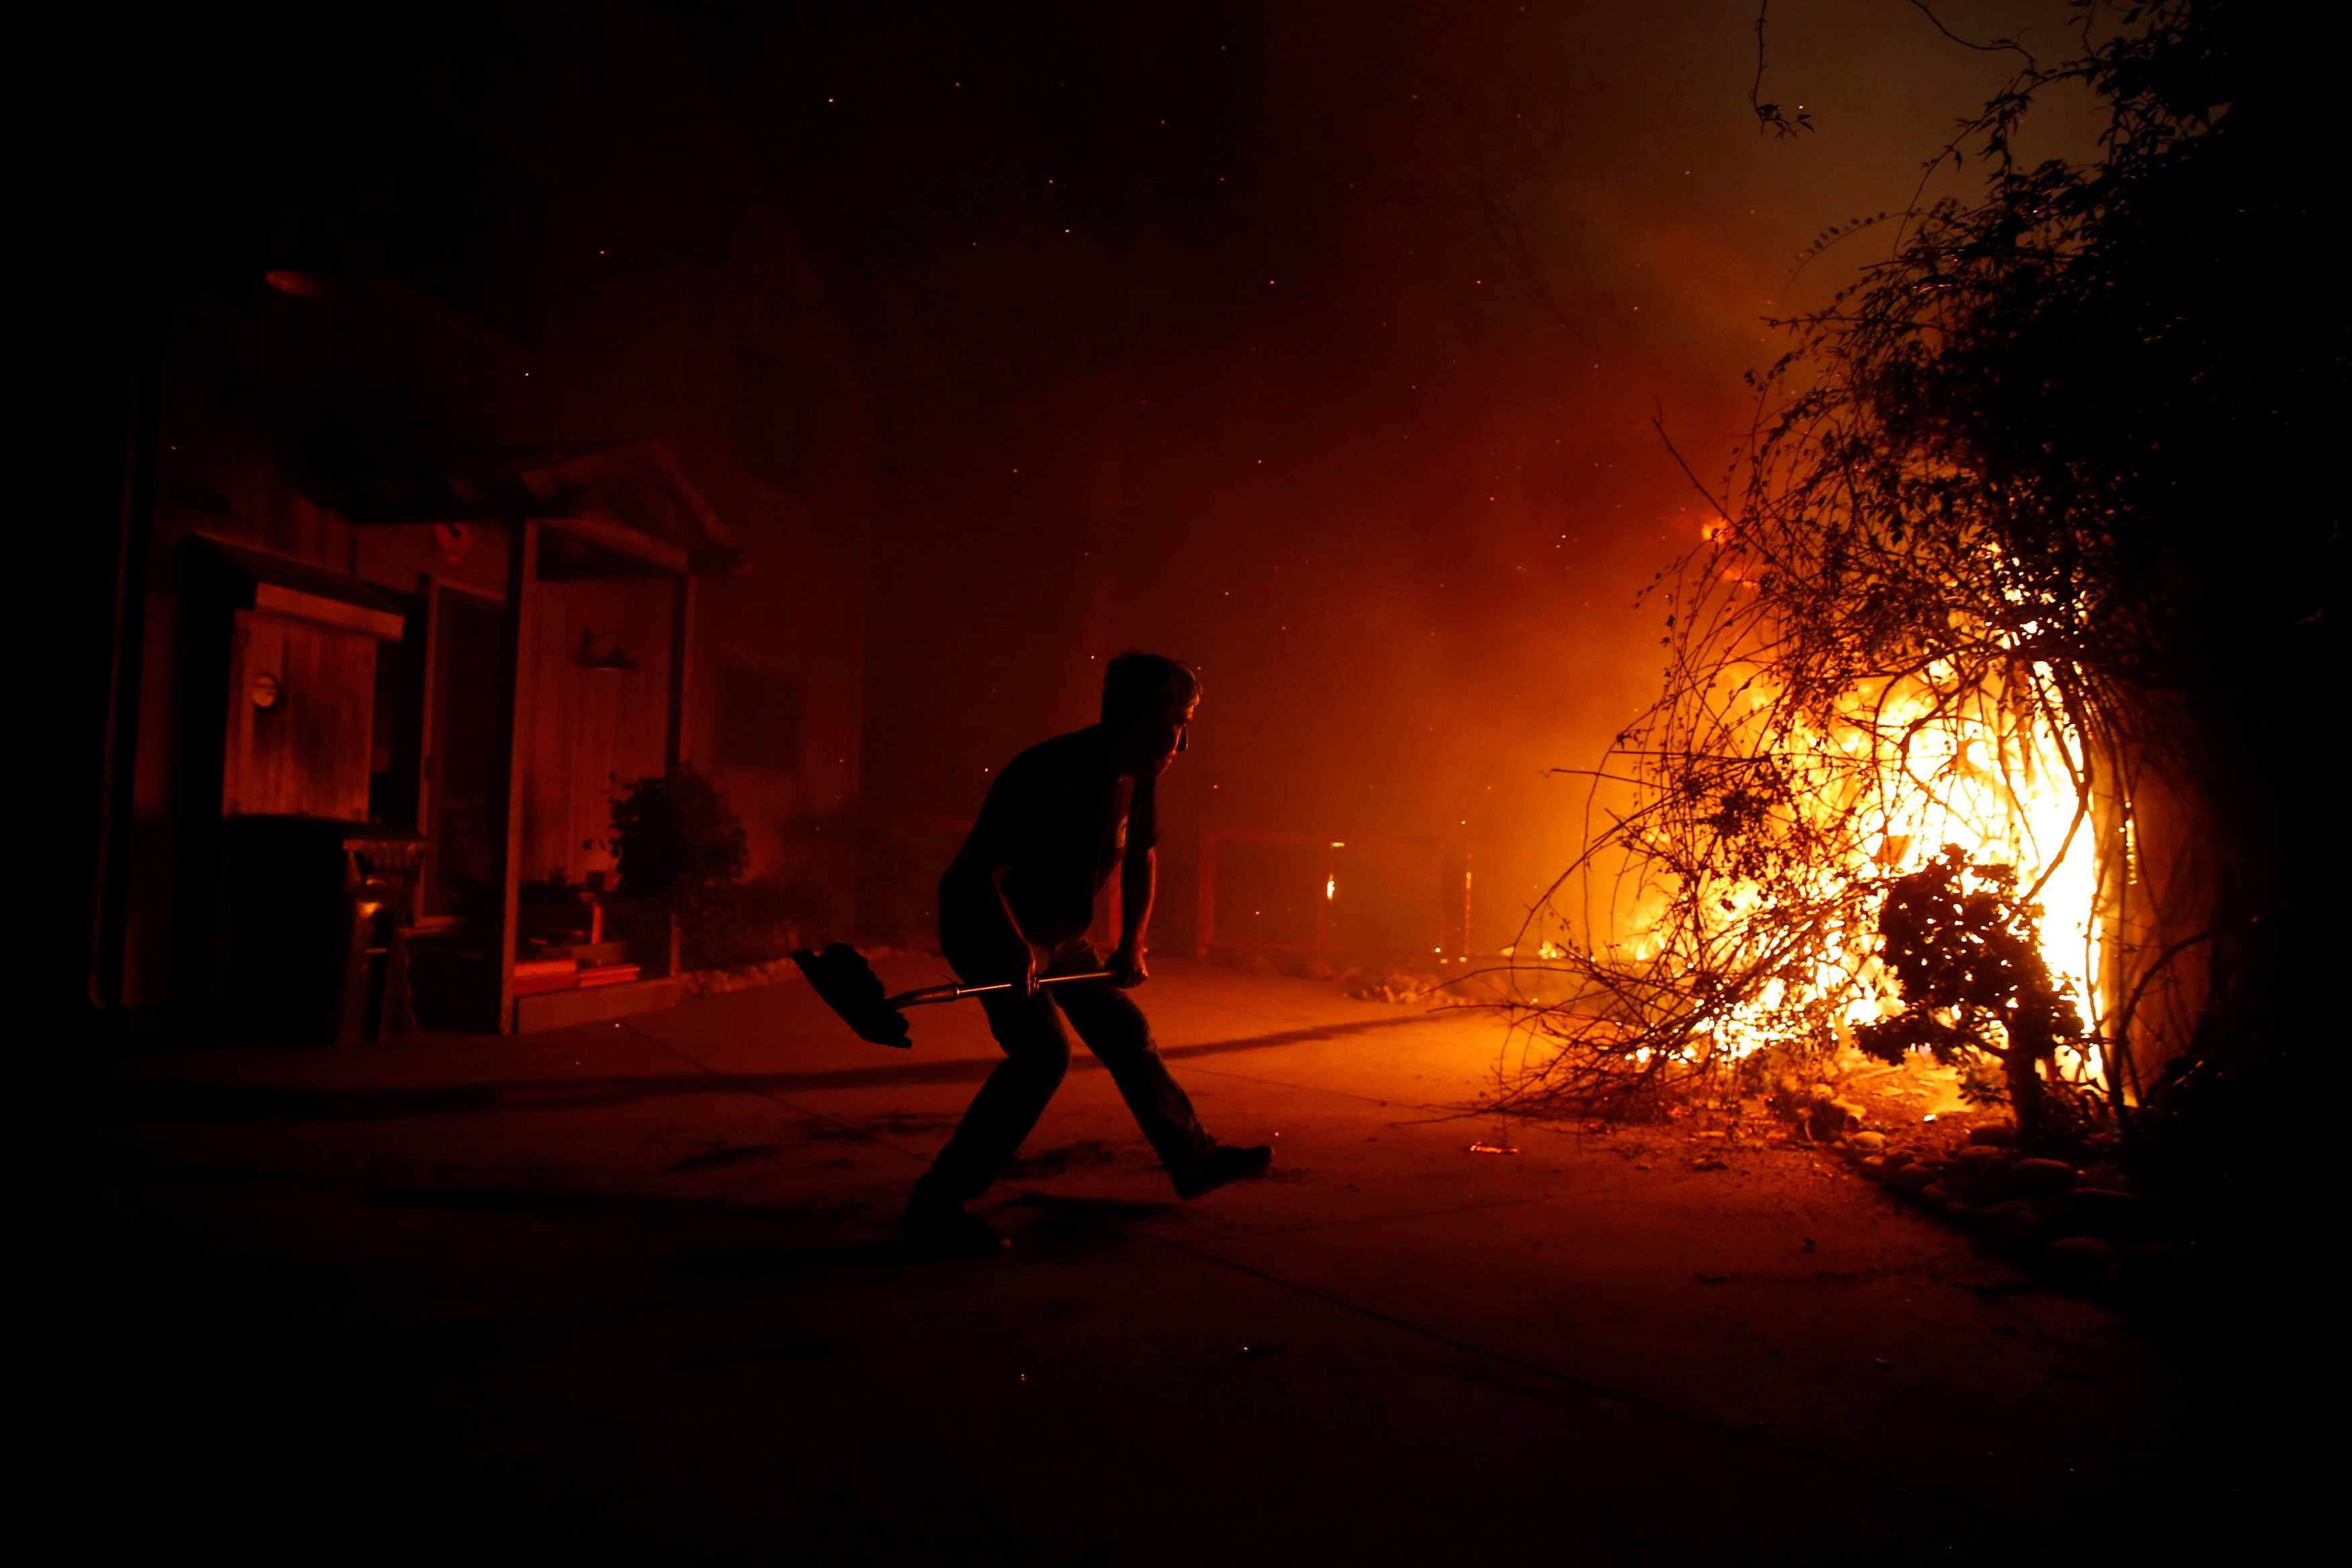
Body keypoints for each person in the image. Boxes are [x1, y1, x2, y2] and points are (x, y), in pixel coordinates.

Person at [904, 653, 1272, 1253]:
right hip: (987, 925)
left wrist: (1131, 943)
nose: (1184, 744)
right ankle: (936, 1204)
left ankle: (1192, 1160)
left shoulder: (1139, 774)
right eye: (1179, 723)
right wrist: (1013, 950)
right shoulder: (1047, 772)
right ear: (1140, 716)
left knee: (1125, 1030)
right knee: (1042, 1055)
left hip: (1061, 935)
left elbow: (1142, 856)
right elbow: (977, 871)